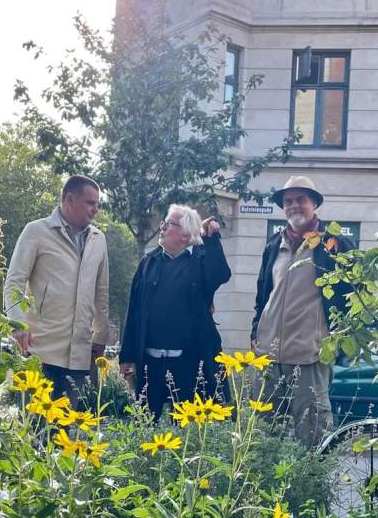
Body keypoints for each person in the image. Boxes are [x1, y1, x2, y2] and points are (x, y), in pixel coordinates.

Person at [251, 176, 352, 447]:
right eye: (288, 201)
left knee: (314, 439)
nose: (294, 205)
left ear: (314, 203)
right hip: (268, 358)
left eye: (301, 200)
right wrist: (255, 334)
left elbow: (354, 296)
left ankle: (314, 491)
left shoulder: (334, 246)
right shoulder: (274, 245)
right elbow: (262, 297)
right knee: (261, 440)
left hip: (310, 356)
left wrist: (338, 339)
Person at [119, 205, 231, 420]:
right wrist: (127, 356)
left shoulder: (200, 261)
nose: (162, 227)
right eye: (164, 222)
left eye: (169, 223)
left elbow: (221, 274)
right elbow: (134, 312)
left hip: (189, 364)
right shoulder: (147, 263)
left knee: (187, 429)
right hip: (150, 363)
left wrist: (211, 238)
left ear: (186, 234)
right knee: (145, 425)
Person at [4, 174, 109, 403]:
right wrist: (17, 324)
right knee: (36, 428)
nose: (95, 210)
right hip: (40, 351)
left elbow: (101, 294)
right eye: (90, 203)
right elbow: (14, 282)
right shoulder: (36, 231)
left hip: (80, 355)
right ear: (70, 199)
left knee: (67, 432)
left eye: (98, 205)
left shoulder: (98, 240)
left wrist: (100, 336)